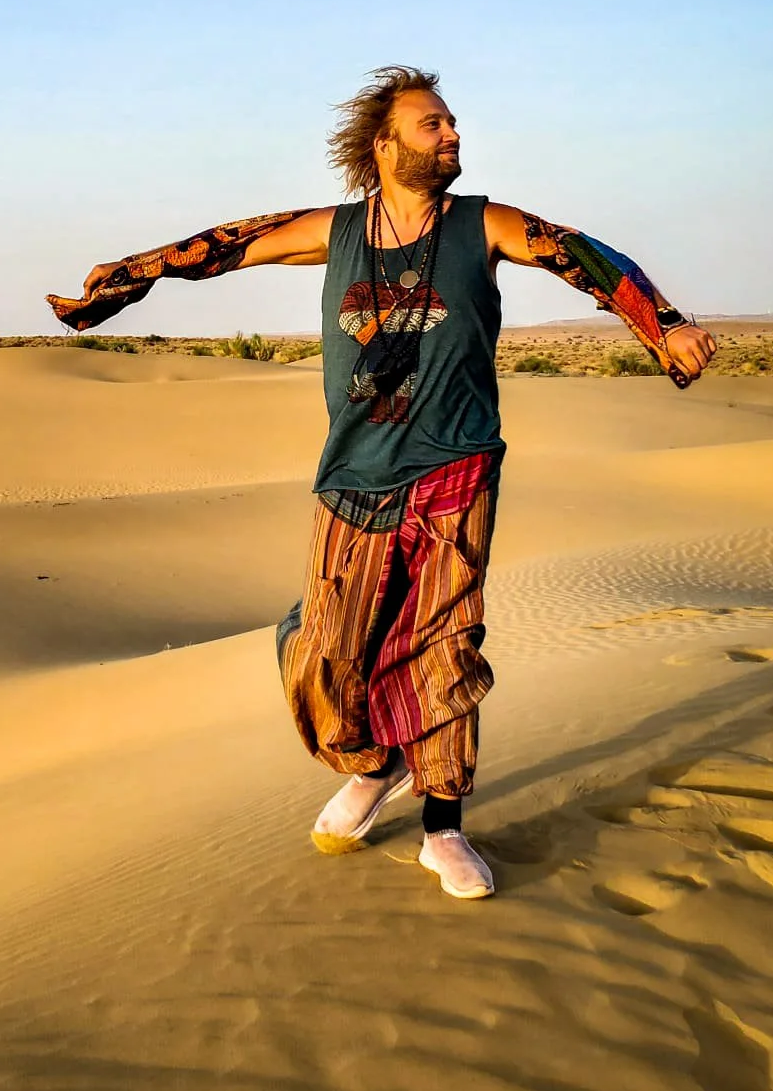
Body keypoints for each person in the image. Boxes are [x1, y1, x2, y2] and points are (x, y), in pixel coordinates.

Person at [49, 66, 716, 899]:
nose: (453, 134)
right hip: (354, 474)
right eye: (433, 123)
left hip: (454, 468)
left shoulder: (484, 224)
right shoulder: (335, 231)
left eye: (453, 122)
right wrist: (130, 273)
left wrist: (664, 325)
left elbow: (581, 255)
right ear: (384, 144)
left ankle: (444, 828)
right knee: (325, 654)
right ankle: (375, 763)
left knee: (444, 648)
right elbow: (226, 245)